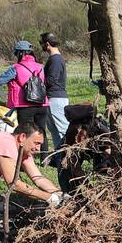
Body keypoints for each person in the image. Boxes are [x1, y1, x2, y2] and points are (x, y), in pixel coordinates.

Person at [0, 41, 50, 158]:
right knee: (41, 131)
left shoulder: (16, 68)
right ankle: (45, 157)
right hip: (43, 104)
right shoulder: (40, 67)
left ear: (20, 53)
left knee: (25, 133)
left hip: (25, 105)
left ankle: (25, 158)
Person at [57, 105, 115, 193]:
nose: (79, 140)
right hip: (72, 153)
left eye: (82, 136)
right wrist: (86, 185)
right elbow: (73, 164)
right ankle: (70, 193)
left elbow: (108, 145)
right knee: (66, 173)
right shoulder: (72, 133)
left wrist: (105, 162)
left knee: (104, 164)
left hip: (96, 148)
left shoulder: (100, 129)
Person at [39, 33, 69, 167]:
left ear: (47, 44)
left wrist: (38, 80)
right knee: (54, 130)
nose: (42, 46)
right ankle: (60, 157)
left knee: (62, 129)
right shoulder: (54, 58)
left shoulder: (56, 60)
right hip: (53, 98)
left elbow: (51, 80)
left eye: (42, 44)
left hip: (56, 98)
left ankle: (71, 157)